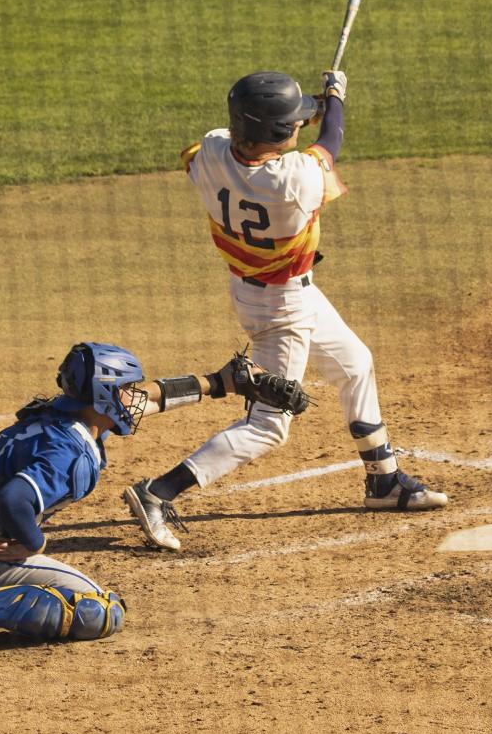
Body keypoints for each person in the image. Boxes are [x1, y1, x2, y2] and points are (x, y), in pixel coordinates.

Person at [122, 70, 447, 553]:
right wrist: (335, 98)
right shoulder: (295, 182)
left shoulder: (211, 151)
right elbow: (330, 139)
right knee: (269, 426)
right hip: (284, 308)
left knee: (354, 363)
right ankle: (158, 493)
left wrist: (311, 106)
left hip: (263, 289)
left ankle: (384, 480)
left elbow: (279, 135)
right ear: (280, 132)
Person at [0, 340, 272, 653]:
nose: (135, 396)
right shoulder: (70, 452)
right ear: (104, 396)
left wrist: (218, 383)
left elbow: (151, 398)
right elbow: (14, 499)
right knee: (100, 609)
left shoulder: (57, 415)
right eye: (126, 388)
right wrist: (33, 542)